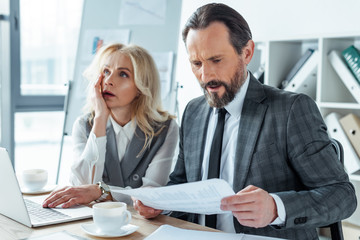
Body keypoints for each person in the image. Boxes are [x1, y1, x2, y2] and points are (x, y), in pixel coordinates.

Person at [133, 3, 357, 239]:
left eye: (216, 60)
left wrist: (275, 208)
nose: (205, 75)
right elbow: (182, 183)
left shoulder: (291, 110)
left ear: (247, 53)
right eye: (196, 63)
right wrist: (160, 203)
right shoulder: (193, 111)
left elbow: (342, 196)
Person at [43, 43, 178, 207]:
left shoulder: (165, 129)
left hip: (139, 224)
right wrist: (100, 118)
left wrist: (100, 192)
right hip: (92, 220)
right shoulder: (84, 125)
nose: (108, 81)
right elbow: (81, 186)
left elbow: (150, 195)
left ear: (141, 87)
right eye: (106, 72)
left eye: (123, 74)